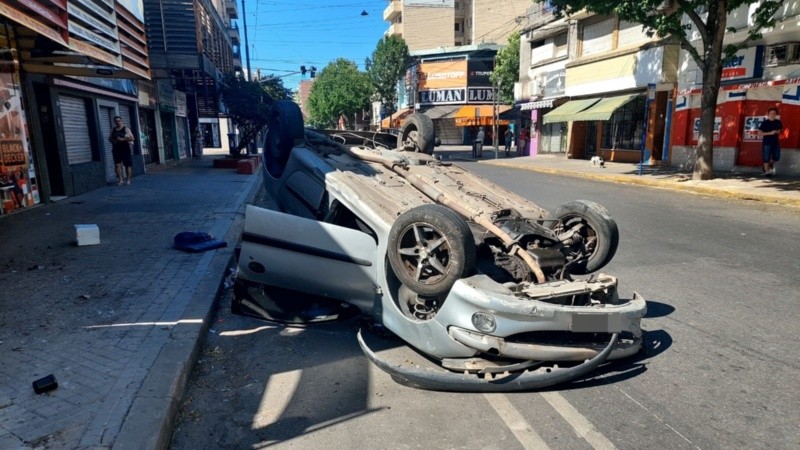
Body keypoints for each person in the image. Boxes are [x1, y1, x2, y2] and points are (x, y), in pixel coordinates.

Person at [108, 116, 134, 185]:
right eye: (116, 121)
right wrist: (113, 141)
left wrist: (123, 139)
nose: (118, 122)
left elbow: (132, 138)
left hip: (125, 149)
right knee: (117, 165)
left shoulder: (126, 129)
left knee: (127, 165)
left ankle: (128, 180)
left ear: (121, 121)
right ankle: (120, 180)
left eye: (119, 121)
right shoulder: (113, 130)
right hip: (116, 149)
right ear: (114, 122)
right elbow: (109, 138)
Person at [757, 107, 782, 177]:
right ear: (768, 115)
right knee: (766, 158)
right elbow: (759, 133)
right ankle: (767, 172)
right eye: (771, 113)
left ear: (776, 115)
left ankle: (770, 165)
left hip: (776, 143)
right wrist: (770, 133)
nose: (772, 115)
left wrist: (777, 131)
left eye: (774, 113)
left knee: (776, 157)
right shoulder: (765, 123)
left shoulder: (778, 122)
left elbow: (779, 131)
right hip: (767, 143)